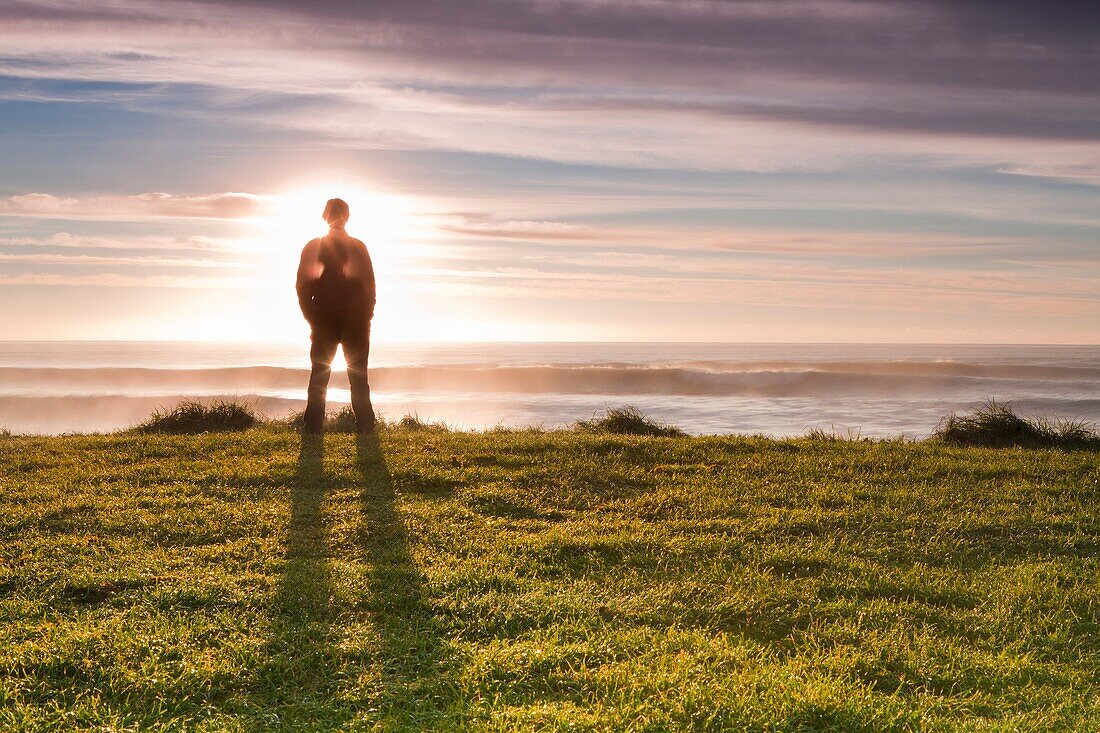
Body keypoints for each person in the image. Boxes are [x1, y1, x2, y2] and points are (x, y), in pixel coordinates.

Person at [295, 197, 377, 434]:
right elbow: (303, 284)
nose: (337, 218)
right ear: (326, 217)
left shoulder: (357, 247)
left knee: (356, 377)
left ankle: (365, 426)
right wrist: (312, 316)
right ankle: (314, 427)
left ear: (347, 217)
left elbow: (369, 284)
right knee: (323, 376)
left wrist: (366, 315)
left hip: (353, 322)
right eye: (334, 214)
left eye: (340, 214)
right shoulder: (315, 246)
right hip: (328, 320)